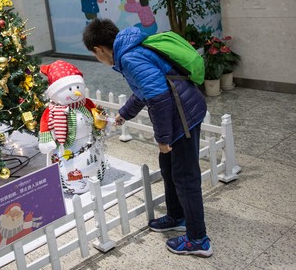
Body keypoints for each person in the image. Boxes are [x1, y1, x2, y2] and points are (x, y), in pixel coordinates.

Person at [82, 18, 212, 258]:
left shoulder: (129, 58)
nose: (98, 59)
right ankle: (177, 215)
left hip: (182, 117)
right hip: (179, 112)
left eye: (95, 55)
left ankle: (198, 240)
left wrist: (162, 138)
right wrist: (124, 114)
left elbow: (159, 99)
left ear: (98, 49)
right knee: (168, 166)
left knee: (185, 177)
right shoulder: (129, 52)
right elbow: (145, 90)